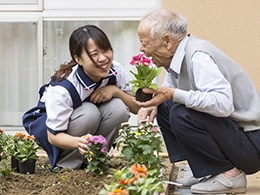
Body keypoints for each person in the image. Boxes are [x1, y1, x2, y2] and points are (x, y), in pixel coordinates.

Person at [134, 9, 260, 194]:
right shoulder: (176, 58)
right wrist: (154, 104)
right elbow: (169, 92)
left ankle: (230, 175)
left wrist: (173, 94)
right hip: (235, 138)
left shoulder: (198, 57)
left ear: (167, 41)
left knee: (180, 112)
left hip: (250, 144)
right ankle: (206, 170)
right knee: (166, 106)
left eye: (144, 43)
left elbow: (223, 104)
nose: (141, 49)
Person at [24, 25, 139, 171]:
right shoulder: (63, 88)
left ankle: (95, 161)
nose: (103, 58)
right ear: (78, 59)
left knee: (118, 108)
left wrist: (116, 91)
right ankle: (66, 167)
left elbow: (136, 107)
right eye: (94, 54)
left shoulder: (115, 70)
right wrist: (79, 142)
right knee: (89, 112)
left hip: (83, 122)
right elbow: (53, 136)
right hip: (51, 129)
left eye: (106, 50)